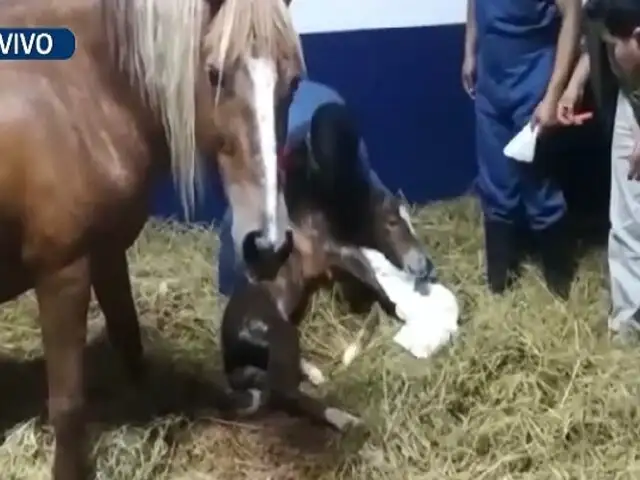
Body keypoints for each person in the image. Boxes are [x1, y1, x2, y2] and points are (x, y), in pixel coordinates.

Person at [217, 80, 435, 296]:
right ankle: (228, 290)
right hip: (284, 130)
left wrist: (411, 254)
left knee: (363, 205)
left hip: (326, 119)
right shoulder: (283, 142)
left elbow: (378, 198)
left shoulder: (351, 147)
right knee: (242, 218)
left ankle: (410, 257)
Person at [462, 0, 582, 298]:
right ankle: (499, 284)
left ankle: (559, 284)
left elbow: (573, 15)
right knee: (494, 181)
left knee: (538, 184)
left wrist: (553, 94)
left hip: (533, 82)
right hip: (492, 81)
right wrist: (469, 52)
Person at [560, 0, 640, 343]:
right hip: (631, 94)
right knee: (626, 220)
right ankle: (628, 324)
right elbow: (604, 37)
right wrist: (575, 84)